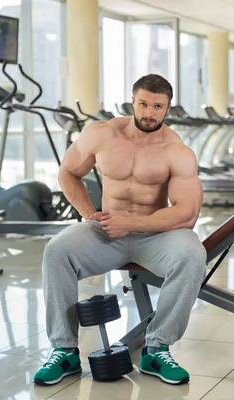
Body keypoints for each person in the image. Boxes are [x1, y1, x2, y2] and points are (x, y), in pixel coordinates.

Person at [33, 74, 206, 387]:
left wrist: (133, 223)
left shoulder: (176, 151)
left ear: (168, 109)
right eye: (143, 103)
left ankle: (157, 348)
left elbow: (187, 213)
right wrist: (90, 215)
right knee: (56, 250)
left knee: (193, 253)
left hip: (156, 234)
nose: (149, 112)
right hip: (106, 231)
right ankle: (65, 349)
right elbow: (68, 173)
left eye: (158, 106)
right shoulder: (102, 133)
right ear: (133, 100)